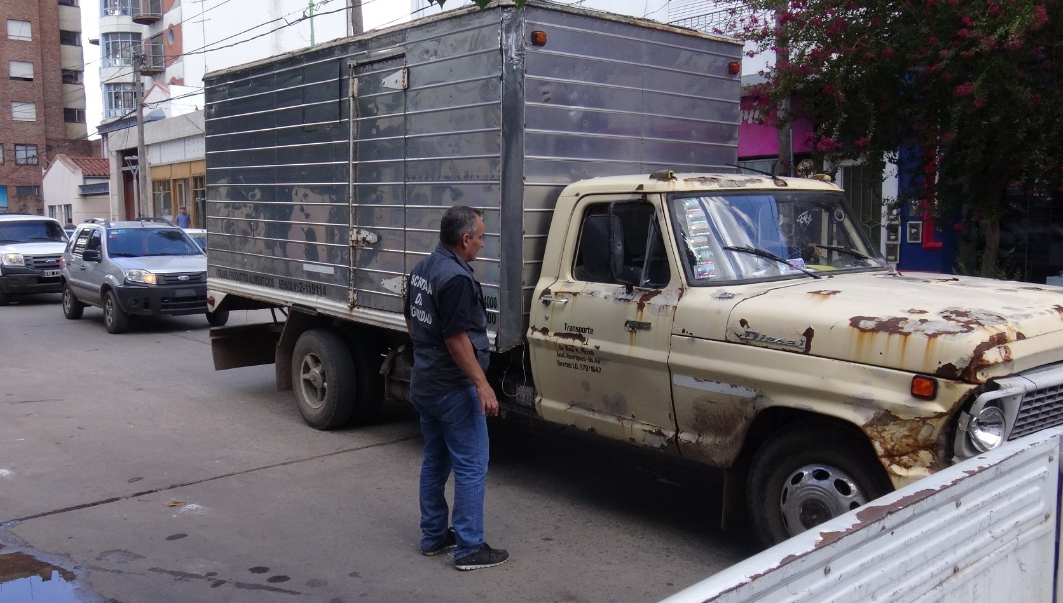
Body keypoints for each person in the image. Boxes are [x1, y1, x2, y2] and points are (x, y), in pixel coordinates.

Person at [403, 205, 509, 571]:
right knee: (471, 466)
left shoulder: (423, 268)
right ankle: (469, 549)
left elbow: (411, 319)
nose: (482, 244)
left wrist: (426, 353)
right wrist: (482, 384)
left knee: (436, 459)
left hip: (427, 382)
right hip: (453, 387)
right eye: (480, 238)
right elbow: (456, 338)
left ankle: (433, 536)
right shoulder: (457, 279)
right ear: (465, 240)